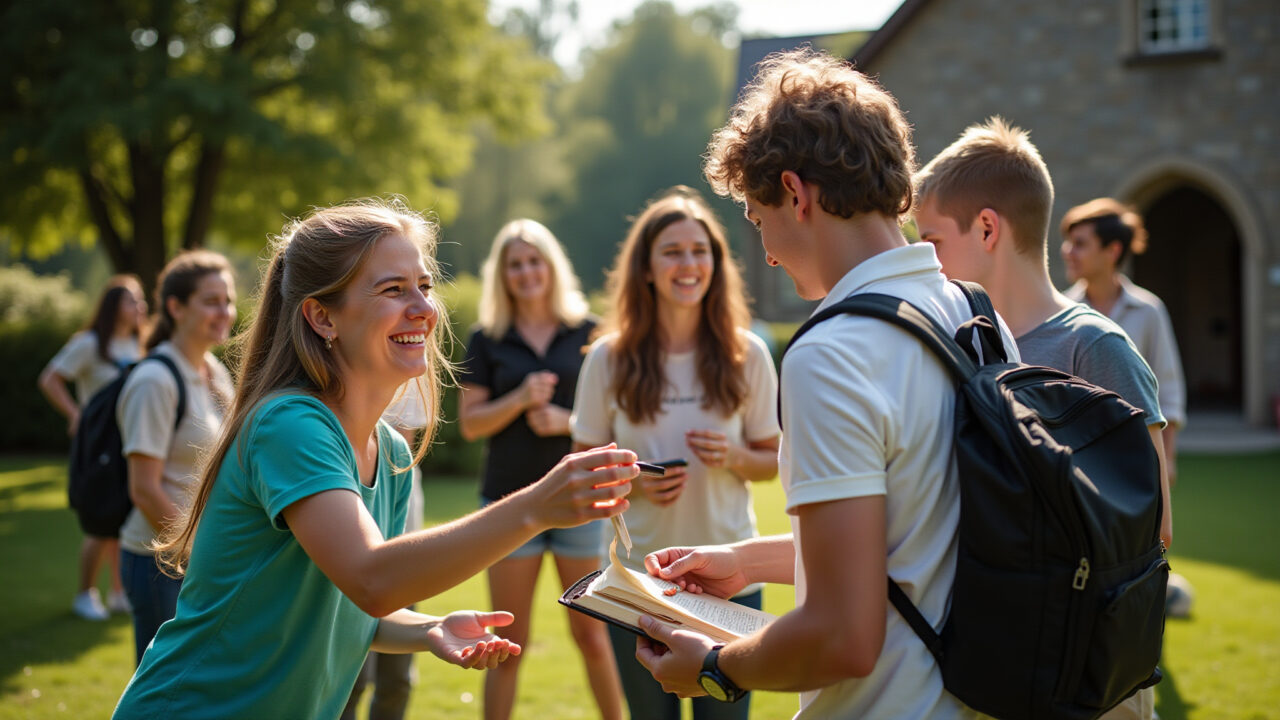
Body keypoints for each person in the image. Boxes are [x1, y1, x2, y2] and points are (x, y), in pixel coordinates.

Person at [112, 199, 636, 719]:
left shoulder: (389, 453)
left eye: (424, 286)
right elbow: (372, 579)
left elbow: (351, 604)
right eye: (393, 289)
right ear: (322, 317)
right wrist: (535, 507)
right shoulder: (290, 425)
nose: (425, 309)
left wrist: (427, 628)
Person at [632, 49, 1019, 719]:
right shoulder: (977, 314)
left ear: (796, 193)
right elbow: (918, 540)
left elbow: (842, 637)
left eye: (759, 220)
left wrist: (715, 668)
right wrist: (747, 562)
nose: (766, 252)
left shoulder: (830, 352)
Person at [912, 118, 1170, 719]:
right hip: (997, 669)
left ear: (987, 228)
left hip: (1090, 680)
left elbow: (1154, 528)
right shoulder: (962, 345)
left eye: (931, 241)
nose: (926, 262)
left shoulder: (1096, 347)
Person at [571, 186, 781, 720]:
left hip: (730, 582)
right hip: (634, 584)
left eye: (699, 251)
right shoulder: (608, 357)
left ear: (716, 263)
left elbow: (772, 461)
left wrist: (734, 457)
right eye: (672, 251)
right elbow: (579, 472)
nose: (688, 264)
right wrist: (634, 484)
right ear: (646, 268)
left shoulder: (748, 353)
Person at [458, 219, 621, 720]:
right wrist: (519, 399)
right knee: (508, 643)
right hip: (509, 503)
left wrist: (565, 422)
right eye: (515, 264)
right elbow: (471, 424)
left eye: (534, 261)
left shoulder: (590, 331)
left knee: (592, 635)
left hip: (581, 500)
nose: (526, 272)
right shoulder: (486, 338)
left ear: (552, 267)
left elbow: (617, 422)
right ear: (502, 275)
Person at [116, 251, 237, 664]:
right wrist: (200, 555)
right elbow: (144, 490)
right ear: (176, 307)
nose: (224, 312)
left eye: (227, 300)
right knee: (165, 687)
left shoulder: (214, 371)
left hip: (201, 558)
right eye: (211, 301)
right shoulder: (154, 380)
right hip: (160, 563)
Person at [39, 275, 147, 620]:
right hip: (99, 444)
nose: (140, 306)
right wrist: (76, 415)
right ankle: (84, 595)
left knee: (121, 521)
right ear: (113, 305)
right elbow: (50, 379)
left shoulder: (139, 343)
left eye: (141, 300)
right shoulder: (88, 343)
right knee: (100, 523)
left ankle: (118, 593)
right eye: (132, 300)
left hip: (129, 441)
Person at [1060, 197, 1186, 484]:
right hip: (1075, 459)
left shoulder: (1149, 310)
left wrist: (1167, 459)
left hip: (1137, 454)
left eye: (1080, 244)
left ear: (1113, 251)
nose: (1067, 251)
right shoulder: (1060, 311)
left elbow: (1168, 388)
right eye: (1068, 242)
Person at [341, 383, 428, 720]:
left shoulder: (396, 447)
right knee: (353, 680)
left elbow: (398, 451)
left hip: (403, 546)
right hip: (353, 551)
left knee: (398, 679)